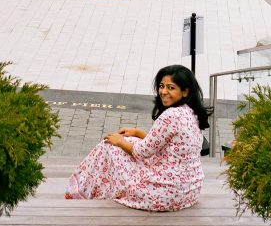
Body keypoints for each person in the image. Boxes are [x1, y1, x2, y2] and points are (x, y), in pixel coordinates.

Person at [65, 64, 210, 211]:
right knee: (128, 141)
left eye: (171, 88)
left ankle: (79, 191)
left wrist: (119, 142)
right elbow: (164, 144)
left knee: (109, 146)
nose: (164, 92)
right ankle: (88, 188)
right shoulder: (192, 112)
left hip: (165, 195)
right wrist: (137, 133)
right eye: (161, 86)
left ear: (185, 92)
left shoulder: (170, 116)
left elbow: (142, 152)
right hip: (189, 192)